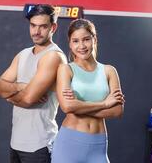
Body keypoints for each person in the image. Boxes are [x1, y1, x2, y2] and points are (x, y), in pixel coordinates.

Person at [0, 4, 67, 163]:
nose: (36, 31)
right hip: (16, 143)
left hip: (39, 146)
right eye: (33, 25)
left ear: (53, 27)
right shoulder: (23, 54)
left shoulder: (53, 56)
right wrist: (22, 86)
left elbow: (28, 100)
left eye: (42, 26)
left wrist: (11, 96)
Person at [51, 19, 125, 163]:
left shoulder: (109, 71)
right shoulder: (66, 69)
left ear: (94, 39)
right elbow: (67, 107)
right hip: (69, 144)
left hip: (99, 145)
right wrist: (104, 104)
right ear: (70, 44)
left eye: (86, 39)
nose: (81, 46)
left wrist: (78, 105)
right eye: (76, 41)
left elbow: (117, 111)